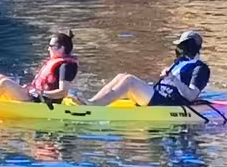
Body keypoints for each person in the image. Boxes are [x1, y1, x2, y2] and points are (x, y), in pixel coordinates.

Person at [84, 29, 212, 108]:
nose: (179, 49)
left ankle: (95, 106)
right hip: (158, 94)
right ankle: (93, 101)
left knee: (129, 80)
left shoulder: (200, 68)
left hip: (167, 101)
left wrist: (173, 78)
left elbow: (191, 96)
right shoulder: (181, 62)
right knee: (121, 76)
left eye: (182, 46)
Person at [0, 30, 79, 104]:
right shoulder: (56, 62)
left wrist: (41, 93)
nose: (48, 49)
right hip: (33, 95)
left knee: (5, 83)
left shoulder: (66, 66)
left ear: (62, 48)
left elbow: (63, 92)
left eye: (51, 46)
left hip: (42, 102)